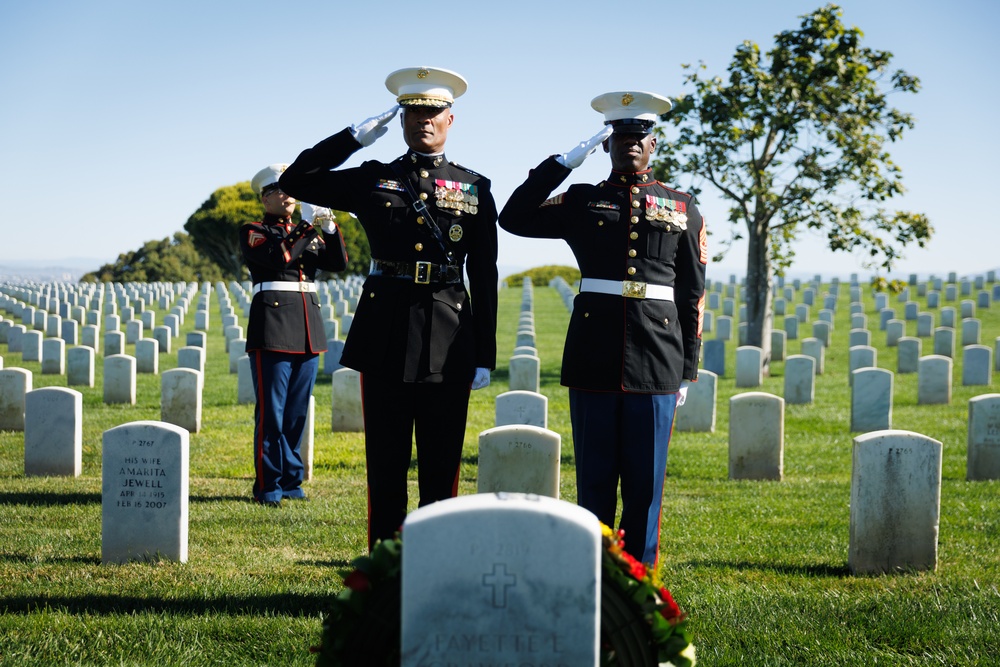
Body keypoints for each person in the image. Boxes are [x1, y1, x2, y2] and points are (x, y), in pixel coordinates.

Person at [279, 67, 498, 550]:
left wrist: (485, 353)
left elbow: (484, 275)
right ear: (400, 120)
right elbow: (297, 178)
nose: (424, 120)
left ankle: (438, 562)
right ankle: (384, 567)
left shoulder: (475, 187)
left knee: (441, 465)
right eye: (413, 111)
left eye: (433, 112)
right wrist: (352, 139)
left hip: (449, 335)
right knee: (386, 464)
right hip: (385, 334)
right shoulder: (372, 178)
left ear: (450, 119)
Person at [498, 91, 707, 566]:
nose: (629, 145)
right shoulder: (581, 199)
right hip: (594, 353)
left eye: (639, 137)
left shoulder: (682, 206)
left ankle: (639, 581)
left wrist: (687, 369)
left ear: (653, 145)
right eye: (619, 138)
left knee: (645, 486)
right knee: (593, 480)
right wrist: (563, 163)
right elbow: (512, 218)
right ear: (607, 145)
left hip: (657, 357)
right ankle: (589, 570)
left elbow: (692, 293)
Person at [240, 164, 348, 507]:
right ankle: (268, 483)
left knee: (297, 413)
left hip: (307, 327)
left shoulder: (308, 233)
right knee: (272, 413)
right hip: (272, 327)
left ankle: (291, 480)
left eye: (289, 188)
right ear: (264, 197)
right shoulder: (255, 230)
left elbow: (339, 263)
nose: (286, 194)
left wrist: (328, 228)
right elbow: (280, 256)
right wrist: (306, 225)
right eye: (278, 189)